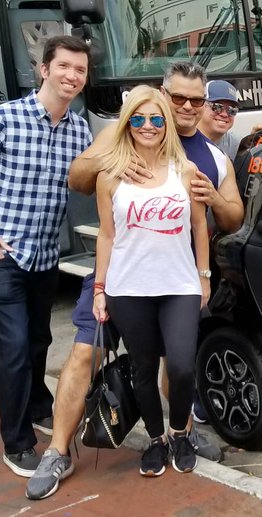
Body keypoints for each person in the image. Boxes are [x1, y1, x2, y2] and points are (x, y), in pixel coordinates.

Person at [27, 62, 242, 500]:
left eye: (195, 100)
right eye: (176, 97)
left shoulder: (212, 156)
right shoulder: (121, 136)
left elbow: (231, 216)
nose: (185, 106)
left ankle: (178, 431)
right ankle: (58, 450)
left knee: (177, 362)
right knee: (85, 354)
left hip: (178, 274)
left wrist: (213, 197)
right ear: (161, 94)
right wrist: (117, 163)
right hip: (123, 273)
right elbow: (79, 179)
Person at [0, 35, 92, 479]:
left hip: (43, 255)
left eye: (80, 69)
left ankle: (37, 404)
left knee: (39, 341)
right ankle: (16, 444)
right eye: (65, 66)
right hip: (2, 255)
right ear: (44, 69)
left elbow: (89, 180)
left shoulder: (79, 129)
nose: (72, 75)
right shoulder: (3, 118)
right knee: (13, 350)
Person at [92, 85, 209, 477]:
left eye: (156, 119)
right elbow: (106, 235)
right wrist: (99, 288)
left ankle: (180, 432)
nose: (148, 126)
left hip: (179, 285)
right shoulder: (110, 177)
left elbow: (199, 226)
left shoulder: (185, 171)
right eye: (138, 119)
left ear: (166, 125)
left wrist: (204, 277)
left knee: (180, 366)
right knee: (142, 370)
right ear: (127, 124)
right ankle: (156, 439)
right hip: (129, 288)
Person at [199, 80, 241, 157]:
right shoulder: (181, 141)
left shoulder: (235, 144)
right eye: (217, 107)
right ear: (201, 105)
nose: (224, 114)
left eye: (231, 110)